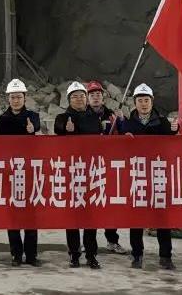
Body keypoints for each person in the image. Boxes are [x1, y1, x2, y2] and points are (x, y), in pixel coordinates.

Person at [120, 83, 179, 270]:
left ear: (152, 102)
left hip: (158, 175)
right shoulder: (128, 124)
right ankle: (137, 254)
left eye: (146, 100)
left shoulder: (163, 123)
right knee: (136, 217)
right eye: (140, 100)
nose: (143, 104)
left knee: (162, 217)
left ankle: (166, 256)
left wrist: (174, 129)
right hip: (136, 174)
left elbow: (172, 141)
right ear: (135, 103)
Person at [0, 78, 43, 266]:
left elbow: (37, 129)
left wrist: (33, 129)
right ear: (8, 99)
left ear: (25, 98)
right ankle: (16, 254)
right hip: (10, 173)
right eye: (13, 97)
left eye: (19, 97)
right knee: (13, 215)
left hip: (29, 172)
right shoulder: (2, 120)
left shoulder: (33, 116)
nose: (16, 100)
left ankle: (31, 255)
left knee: (31, 215)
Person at [55, 81, 103, 269]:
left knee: (91, 216)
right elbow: (58, 128)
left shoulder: (94, 117)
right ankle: (74, 254)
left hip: (91, 171)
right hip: (71, 172)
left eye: (82, 96)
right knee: (73, 216)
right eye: (74, 96)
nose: (79, 99)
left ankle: (91, 255)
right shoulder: (62, 117)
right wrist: (65, 129)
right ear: (69, 100)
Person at [88, 80, 128, 255]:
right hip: (89, 166)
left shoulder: (112, 115)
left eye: (98, 94)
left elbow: (124, 133)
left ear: (103, 97)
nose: (96, 97)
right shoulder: (84, 115)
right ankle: (88, 242)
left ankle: (112, 241)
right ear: (88, 98)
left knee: (110, 205)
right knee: (90, 205)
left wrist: (122, 120)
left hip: (109, 166)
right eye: (92, 94)